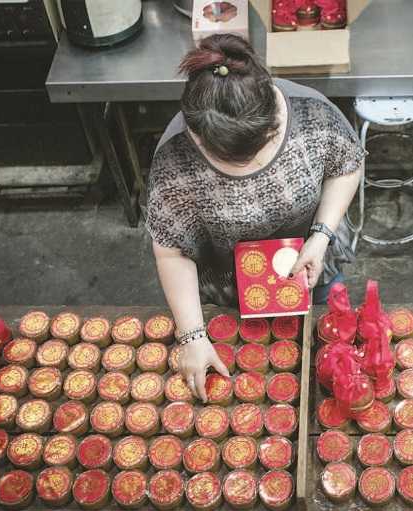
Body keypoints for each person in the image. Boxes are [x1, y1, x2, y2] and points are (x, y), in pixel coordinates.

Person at [147, 34, 365, 401]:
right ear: (196, 135)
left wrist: (322, 234)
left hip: (311, 258)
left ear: (273, 123)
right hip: (231, 278)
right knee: (251, 369)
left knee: (325, 345)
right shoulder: (176, 160)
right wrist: (193, 337)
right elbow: (172, 250)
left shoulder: (312, 115)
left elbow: (346, 166)